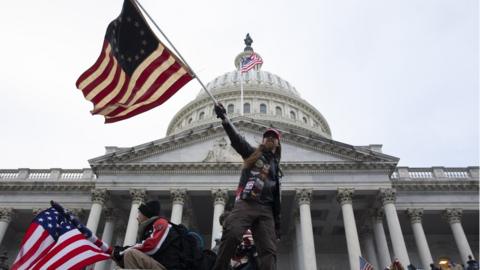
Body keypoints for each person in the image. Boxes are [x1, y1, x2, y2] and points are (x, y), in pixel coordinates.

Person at [212, 103, 283, 270]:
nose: (270, 139)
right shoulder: (254, 155)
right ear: (263, 141)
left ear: (278, 144)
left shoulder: (277, 170)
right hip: (248, 202)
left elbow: (276, 199)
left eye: (274, 137)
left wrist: (277, 225)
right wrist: (224, 119)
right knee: (232, 233)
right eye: (267, 137)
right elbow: (237, 141)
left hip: (266, 210)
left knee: (268, 251)